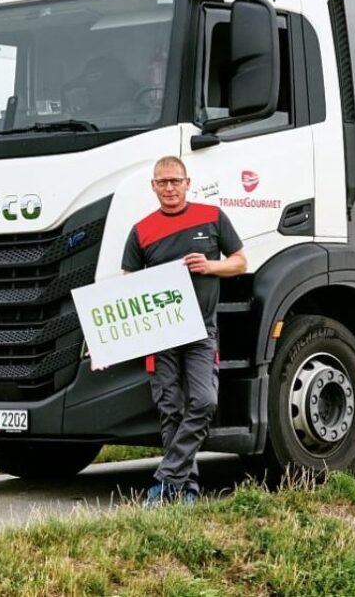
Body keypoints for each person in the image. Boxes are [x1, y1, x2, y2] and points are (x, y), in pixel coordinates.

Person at [122, 156, 247, 506]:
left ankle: (165, 479)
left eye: (175, 181)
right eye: (162, 182)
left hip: (202, 331)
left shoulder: (212, 217)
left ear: (187, 183)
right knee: (171, 410)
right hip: (161, 334)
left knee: (205, 402)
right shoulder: (141, 230)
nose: (169, 188)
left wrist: (210, 266)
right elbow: (128, 288)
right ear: (153, 186)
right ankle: (185, 487)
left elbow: (240, 261)